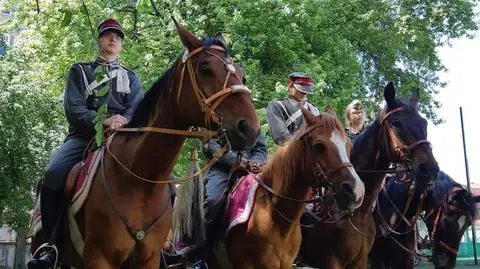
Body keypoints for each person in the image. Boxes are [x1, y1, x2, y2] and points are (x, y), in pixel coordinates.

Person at [28, 18, 143, 269]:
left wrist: (124, 120)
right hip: (85, 137)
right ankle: (51, 247)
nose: (113, 39)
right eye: (108, 35)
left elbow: (137, 108)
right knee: (53, 174)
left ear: (121, 44)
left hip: (123, 138)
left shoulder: (132, 78)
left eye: (117, 36)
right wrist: (103, 121)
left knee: (163, 181)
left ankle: (160, 247)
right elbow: (75, 109)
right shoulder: (80, 71)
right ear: (100, 40)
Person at [192, 134, 268, 268]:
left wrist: (257, 162)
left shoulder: (251, 120)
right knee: (212, 202)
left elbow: (260, 148)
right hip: (221, 170)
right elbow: (211, 146)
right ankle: (201, 256)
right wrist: (239, 162)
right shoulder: (216, 119)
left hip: (252, 170)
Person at [266, 72, 320, 145]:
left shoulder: (313, 109)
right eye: (300, 90)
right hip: (290, 152)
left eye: (306, 91)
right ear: (290, 88)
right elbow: (281, 136)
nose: (304, 93)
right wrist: (300, 148)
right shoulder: (278, 105)